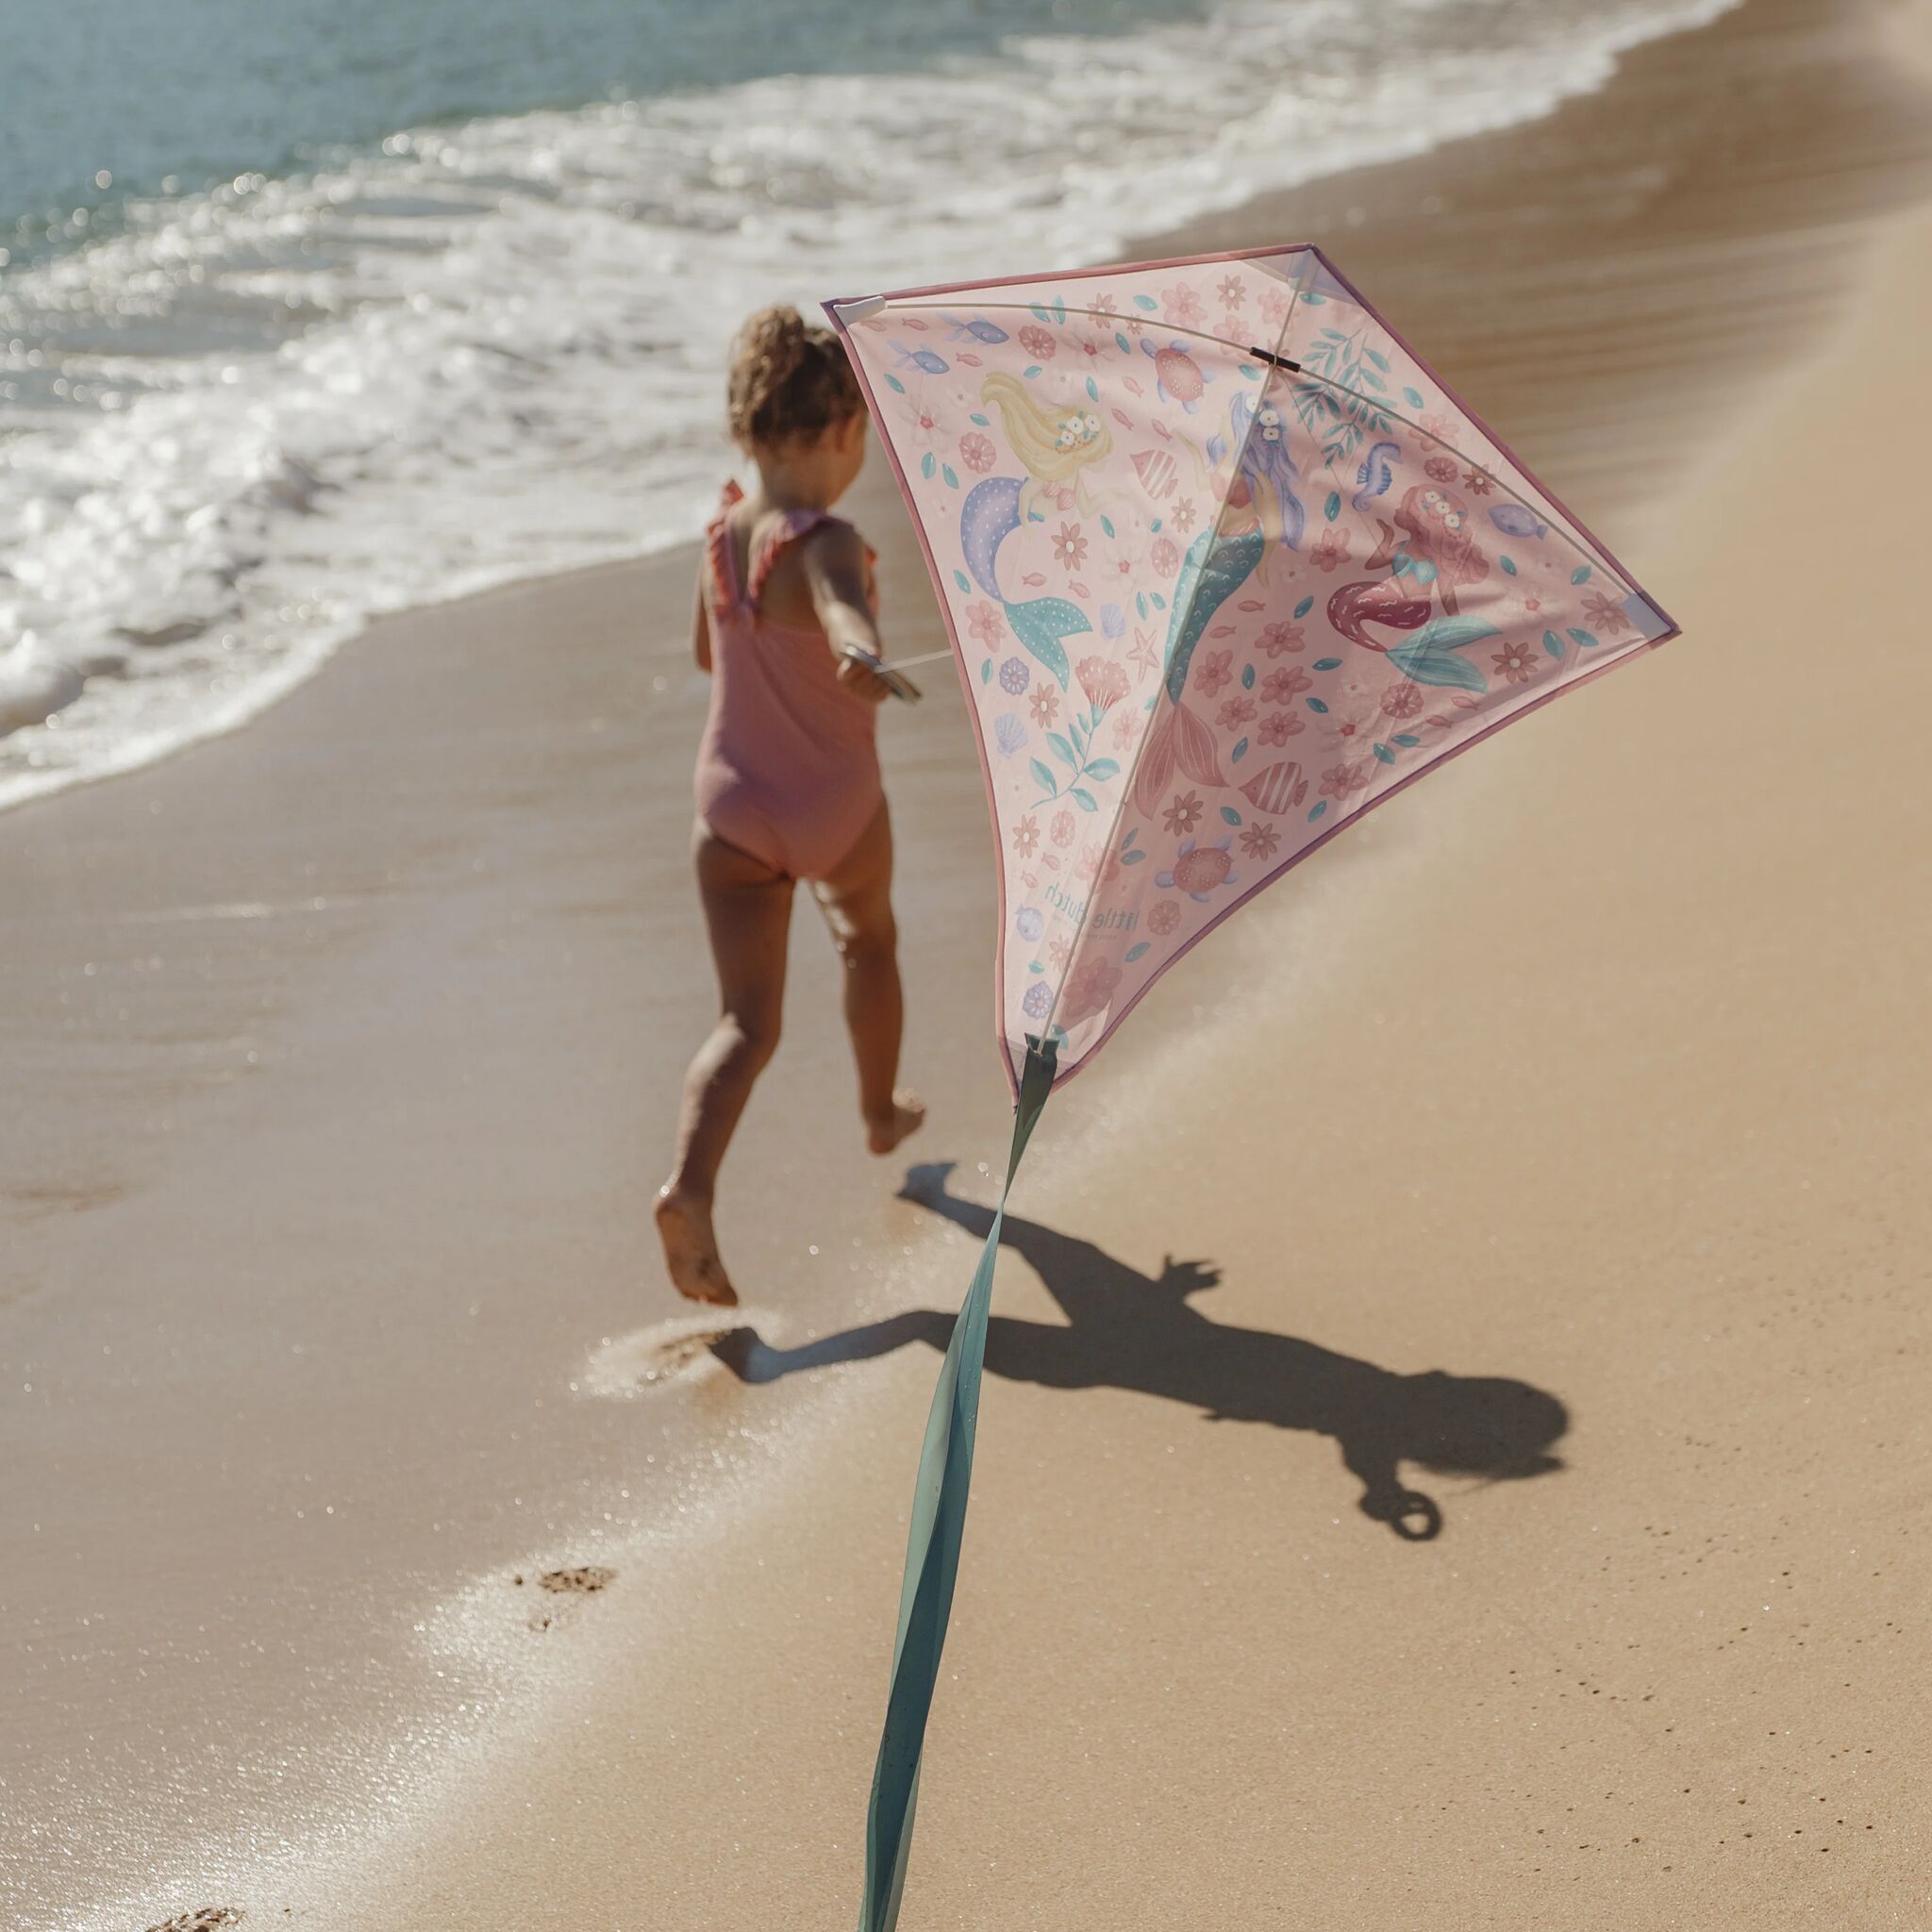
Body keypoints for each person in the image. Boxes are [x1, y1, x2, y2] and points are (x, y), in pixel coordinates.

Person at [656, 306, 924, 1307]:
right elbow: (841, 608)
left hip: (727, 813)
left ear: (748, 429)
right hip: (833, 810)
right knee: (869, 944)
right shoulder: (829, 540)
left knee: (744, 1022)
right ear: (845, 433)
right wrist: (855, 649)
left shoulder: (723, 536)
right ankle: (877, 1112)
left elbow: (702, 653)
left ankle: (688, 1183)